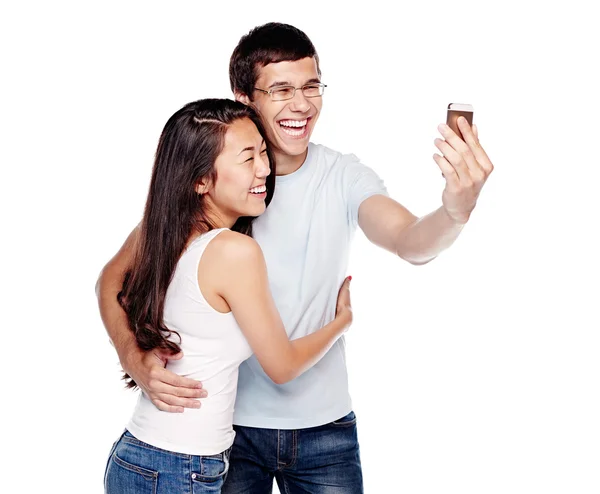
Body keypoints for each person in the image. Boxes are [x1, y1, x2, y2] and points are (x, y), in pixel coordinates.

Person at [97, 23, 494, 494]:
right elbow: (112, 279)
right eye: (281, 89)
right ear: (245, 99)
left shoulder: (343, 176)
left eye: (311, 86)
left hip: (324, 430)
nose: (302, 104)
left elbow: (410, 240)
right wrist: (132, 355)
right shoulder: (211, 189)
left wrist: (455, 210)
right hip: (228, 435)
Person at [102, 98, 353, 494]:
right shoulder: (234, 252)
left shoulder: (163, 229)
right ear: (200, 180)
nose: (265, 169)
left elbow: (107, 281)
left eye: (264, 153)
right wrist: (342, 322)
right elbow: (282, 365)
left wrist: (132, 356)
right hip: (179, 471)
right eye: (247, 158)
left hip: (140, 457)